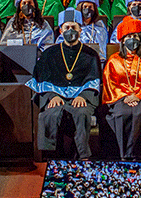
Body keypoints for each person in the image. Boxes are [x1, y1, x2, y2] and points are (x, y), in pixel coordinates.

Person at [27, 9, 102, 160]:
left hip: (81, 97)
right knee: (50, 114)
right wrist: (51, 96)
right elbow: (42, 78)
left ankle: (83, 156)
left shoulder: (91, 54)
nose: (70, 31)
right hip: (57, 97)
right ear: (61, 30)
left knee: (82, 113)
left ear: (80, 30)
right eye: (67, 28)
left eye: (73, 28)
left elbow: (94, 78)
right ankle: (52, 156)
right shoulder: (49, 53)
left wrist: (84, 96)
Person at [101, 17, 141, 160]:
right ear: (122, 40)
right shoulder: (114, 60)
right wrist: (125, 96)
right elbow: (110, 83)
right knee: (121, 114)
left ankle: (133, 154)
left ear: (140, 39)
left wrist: (138, 96)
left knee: (139, 113)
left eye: (135, 36)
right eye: (128, 36)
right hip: (120, 98)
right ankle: (122, 155)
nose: (132, 39)